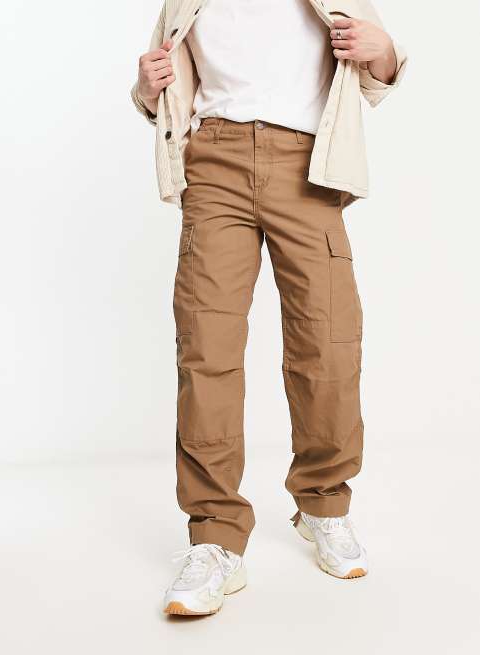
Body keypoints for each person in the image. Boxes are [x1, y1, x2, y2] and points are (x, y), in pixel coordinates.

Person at [131, 0, 407, 616]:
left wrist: (382, 50)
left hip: (310, 164)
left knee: (329, 345)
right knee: (206, 349)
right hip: (215, 163)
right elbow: (157, 90)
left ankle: (323, 503)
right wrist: (147, 89)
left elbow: (381, 73)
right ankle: (213, 537)